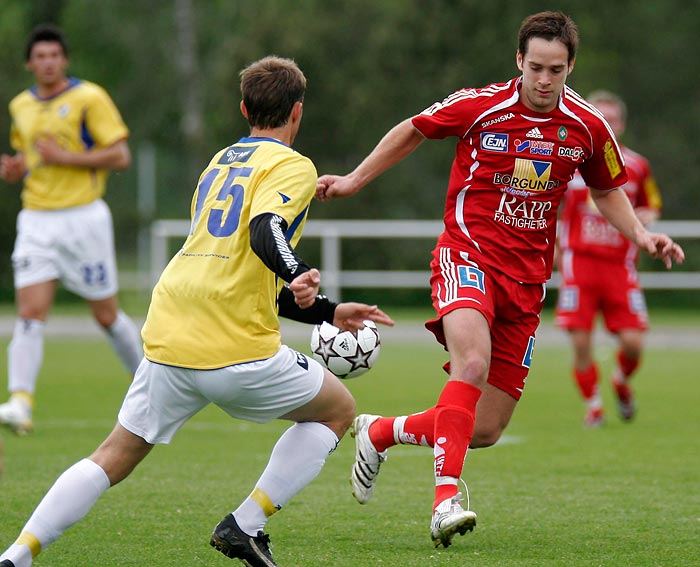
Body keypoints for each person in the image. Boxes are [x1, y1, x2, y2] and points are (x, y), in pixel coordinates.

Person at [0, 55, 394, 567]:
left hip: (170, 329)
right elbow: (263, 230)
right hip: (234, 348)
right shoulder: (294, 166)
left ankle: (18, 554)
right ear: (297, 112)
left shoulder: (220, 161)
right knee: (339, 409)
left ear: (242, 109)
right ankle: (245, 525)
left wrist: (327, 310)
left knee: (112, 456)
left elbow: (235, 271)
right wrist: (297, 268)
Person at [316, 11, 684, 549]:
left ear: (569, 67)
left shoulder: (586, 126)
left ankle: (380, 431)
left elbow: (606, 189)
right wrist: (352, 181)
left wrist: (639, 234)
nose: (543, 80)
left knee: (485, 429)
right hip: (466, 256)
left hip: (527, 282)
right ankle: (445, 502)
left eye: (555, 70)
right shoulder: (480, 105)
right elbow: (413, 129)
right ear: (519, 61)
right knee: (472, 362)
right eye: (535, 67)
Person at [0, 24, 143, 436]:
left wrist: (64, 157)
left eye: (54, 55)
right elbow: (29, 155)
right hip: (36, 220)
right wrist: (18, 168)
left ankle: (148, 383)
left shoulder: (89, 98)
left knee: (106, 315)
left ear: (64, 60)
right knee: (30, 313)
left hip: (83, 219)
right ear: (29, 63)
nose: (47, 63)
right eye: (39, 56)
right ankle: (20, 403)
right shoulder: (20, 106)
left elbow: (120, 155)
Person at [555, 91, 663, 427]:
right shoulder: (569, 159)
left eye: (613, 118)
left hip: (619, 265)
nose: (607, 124)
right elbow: (551, 207)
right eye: (600, 116)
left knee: (633, 342)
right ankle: (594, 407)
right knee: (581, 341)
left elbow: (652, 206)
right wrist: (555, 250)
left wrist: (646, 218)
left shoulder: (637, 165)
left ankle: (619, 381)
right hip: (579, 263)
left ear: (622, 124)